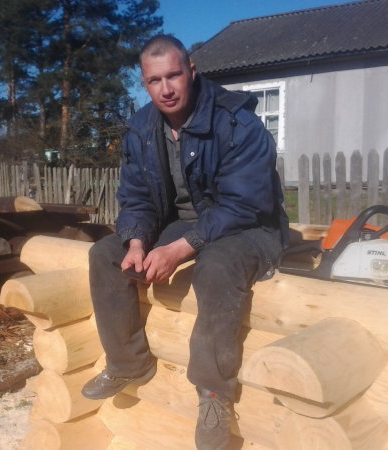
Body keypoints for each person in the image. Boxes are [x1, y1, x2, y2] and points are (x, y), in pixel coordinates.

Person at [81, 35, 289, 450]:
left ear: (191, 72)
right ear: (144, 83)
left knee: (216, 268)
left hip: (250, 226)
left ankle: (213, 395)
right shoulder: (141, 128)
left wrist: (179, 249)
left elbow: (245, 204)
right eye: (154, 80)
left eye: (173, 76)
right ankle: (128, 363)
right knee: (106, 253)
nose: (166, 89)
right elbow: (137, 199)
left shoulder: (237, 121)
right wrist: (137, 242)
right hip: (186, 223)